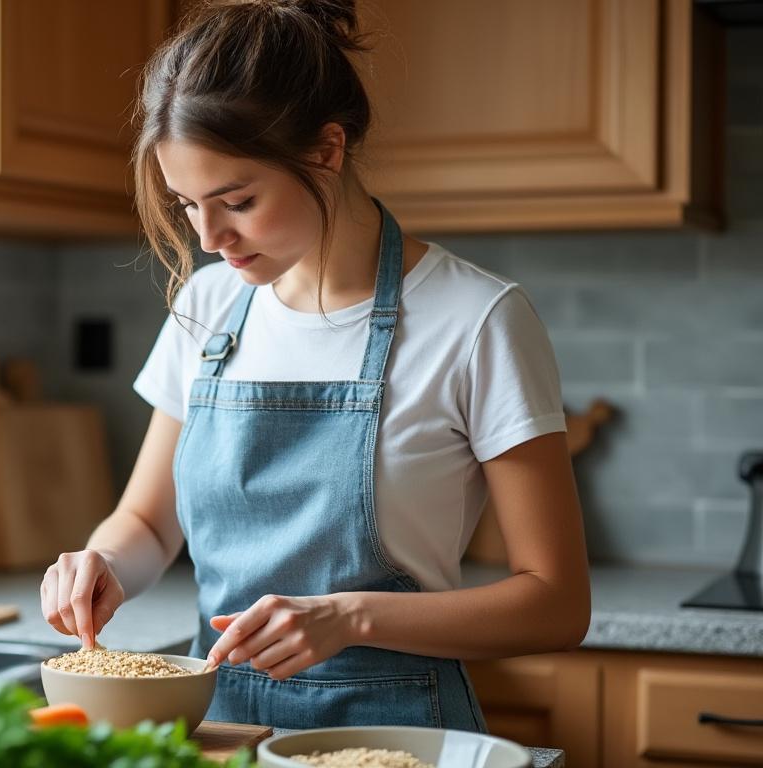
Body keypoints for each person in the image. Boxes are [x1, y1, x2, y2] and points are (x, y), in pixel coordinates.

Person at [38, 0, 592, 732]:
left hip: (395, 733)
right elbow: (147, 520)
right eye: (187, 205)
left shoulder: (477, 320)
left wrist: (350, 617)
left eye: (238, 201)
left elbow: (557, 604)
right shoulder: (208, 305)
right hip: (220, 728)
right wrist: (103, 562)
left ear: (327, 150)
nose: (209, 238)